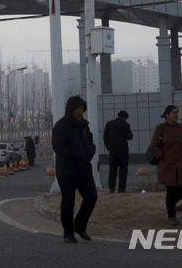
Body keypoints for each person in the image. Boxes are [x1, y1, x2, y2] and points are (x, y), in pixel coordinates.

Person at [52, 95, 98, 244]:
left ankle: (79, 225)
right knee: (68, 202)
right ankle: (68, 233)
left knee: (91, 197)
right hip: (67, 171)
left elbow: (90, 143)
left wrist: (89, 153)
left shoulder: (84, 125)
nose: (80, 112)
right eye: (78, 109)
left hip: (84, 170)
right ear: (71, 109)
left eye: (82, 109)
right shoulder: (61, 125)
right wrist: (76, 156)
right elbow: (59, 147)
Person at [149, 105, 182, 226]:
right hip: (167, 164)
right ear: (167, 115)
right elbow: (154, 145)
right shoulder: (161, 128)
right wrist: (162, 156)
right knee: (171, 190)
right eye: (173, 113)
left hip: (180, 164)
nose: (176, 115)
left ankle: (170, 205)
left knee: (181, 191)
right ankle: (172, 216)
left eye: (177, 113)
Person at [103, 110, 133, 193]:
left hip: (112, 150)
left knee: (112, 169)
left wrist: (108, 147)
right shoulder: (126, 125)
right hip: (123, 151)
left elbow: (105, 137)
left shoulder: (109, 124)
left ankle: (111, 188)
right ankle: (121, 189)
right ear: (125, 118)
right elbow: (130, 137)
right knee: (123, 169)